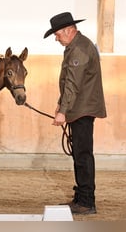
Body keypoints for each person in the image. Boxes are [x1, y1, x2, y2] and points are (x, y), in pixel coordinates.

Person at [44, 12, 107, 215]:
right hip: (79, 108)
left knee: (82, 155)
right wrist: (60, 105)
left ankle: (87, 201)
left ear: (69, 31)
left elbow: (72, 84)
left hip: (82, 109)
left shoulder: (79, 50)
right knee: (80, 154)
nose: (56, 38)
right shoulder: (76, 45)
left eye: (57, 34)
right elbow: (69, 83)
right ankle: (82, 197)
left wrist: (63, 111)